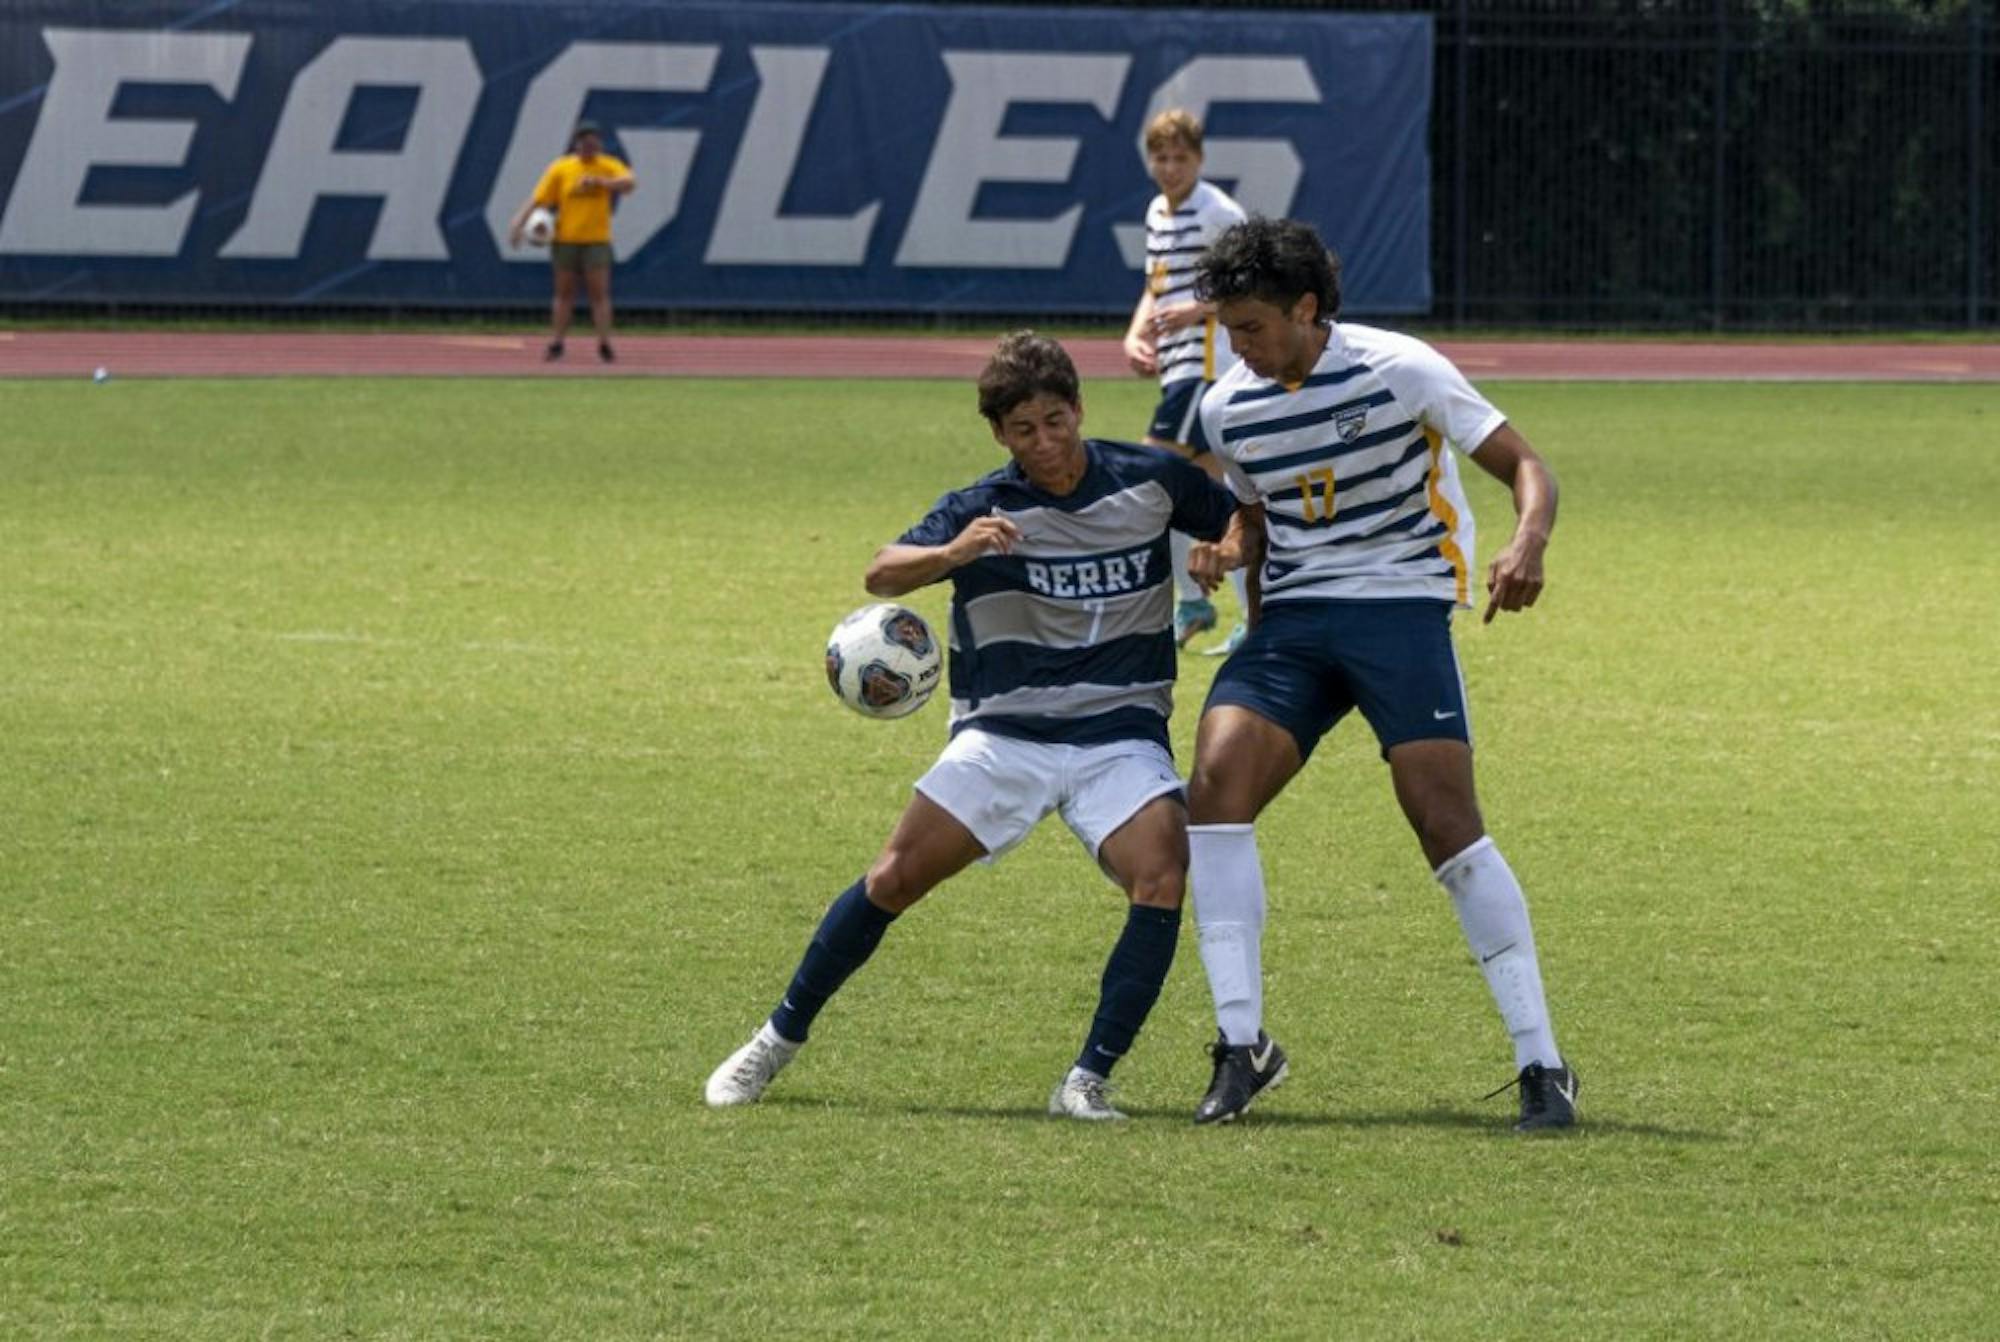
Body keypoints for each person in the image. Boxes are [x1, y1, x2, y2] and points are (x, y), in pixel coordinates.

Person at [705, 332, 1239, 1121]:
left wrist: (1219, 552)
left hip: (1119, 734)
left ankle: (1087, 1079)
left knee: (1161, 875)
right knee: (891, 880)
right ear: (1000, 435)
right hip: (1004, 734)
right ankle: (774, 1042)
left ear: (1079, 410)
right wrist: (955, 551)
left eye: (1057, 421)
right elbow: (881, 572)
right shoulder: (983, 506)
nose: (1046, 442)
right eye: (1024, 430)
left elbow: (1241, 520)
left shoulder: (1153, 480)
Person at [1179, 216, 1579, 1132]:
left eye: (1252, 327)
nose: (1238, 347)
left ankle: (1542, 1063)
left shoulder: (1398, 367)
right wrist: (1226, 547)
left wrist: (1528, 540)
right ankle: (1241, 1046)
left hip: (1399, 609)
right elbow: (1258, 521)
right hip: (1294, 627)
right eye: (1227, 330)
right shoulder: (1227, 405)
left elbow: (1526, 467)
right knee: (1216, 786)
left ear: (1307, 308)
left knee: (1446, 823)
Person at [1121, 109, 1253, 658]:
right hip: (1177, 372)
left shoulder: (1218, 213)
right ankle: (1241, 612)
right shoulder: (1156, 212)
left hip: (1208, 371)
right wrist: (1134, 337)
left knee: (1149, 476)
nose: (1170, 167)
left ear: (1199, 160)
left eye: (1180, 157)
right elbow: (1154, 288)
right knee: (1212, 501)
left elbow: (1252, 283)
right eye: (1161, 157)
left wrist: (1194, 313)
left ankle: (1171, 603)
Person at [507, 119, 634, 363]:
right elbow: (539, 198)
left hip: (596, 240)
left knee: (599, 294)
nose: (588, 146)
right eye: (584, 141)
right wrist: (518, 222)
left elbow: (629, 183)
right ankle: (557, 342)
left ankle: (604, 343)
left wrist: (600, 182)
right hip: (566, 239)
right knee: (564, 294)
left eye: (592, 141)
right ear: (576, 144)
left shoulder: (607, 165)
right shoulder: (562, 168)